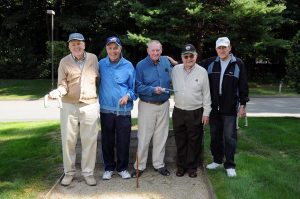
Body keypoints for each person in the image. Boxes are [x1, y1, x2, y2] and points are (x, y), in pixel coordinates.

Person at [48, 33, 99, 186]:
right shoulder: (64, 62)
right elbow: (62, 84)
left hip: (90, 105)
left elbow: (97, 78)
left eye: (79, 43)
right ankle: (69, 173)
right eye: (73, 44)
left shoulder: (93, 58)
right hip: (69, 106)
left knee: (89, 141)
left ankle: (88, 173)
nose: (76, 46)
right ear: (69, 46)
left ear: (84, 45)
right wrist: (58, 92)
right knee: (68, 141)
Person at [203, 37, 249, 177]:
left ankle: (229, 165)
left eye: (224, 47)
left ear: (229, 48)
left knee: (229, 137)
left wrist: (243, 104)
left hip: (229, 107)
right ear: (216, 49)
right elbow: (192, 63)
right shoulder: (211, 62)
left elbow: (243, 85)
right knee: (215, 136)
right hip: (214, 106)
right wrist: (176, 62)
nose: (222, 50)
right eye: (219, 48)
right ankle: (217, 160)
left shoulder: (238, 63)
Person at [132, 40, 172, 178]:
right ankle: (140, 166)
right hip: (147, 105)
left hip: (164, 105)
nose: (155, 53)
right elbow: (137, 86)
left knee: (161, 136)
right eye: (153, 50)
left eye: (158, 50)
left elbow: (176, 72)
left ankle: (158, 164)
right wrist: (153, 90)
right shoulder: (141, 65)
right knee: (143, 137)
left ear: (161, 50)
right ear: (148, 51)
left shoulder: (166, 61)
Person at [99, 36, 136, 180]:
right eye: (110, 48)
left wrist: (127, 95)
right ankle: (109, 168)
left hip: (123, 111)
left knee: (123, 141)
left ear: (120, 49)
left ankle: (122, 168)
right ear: (106, 49)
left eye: (115, 48)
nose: (113, 51)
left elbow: (134, 89)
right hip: (106, 110)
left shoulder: (128, 65)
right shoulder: (100, 64)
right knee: (107, 140)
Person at [171, 44, 211, 178]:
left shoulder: (202, 71)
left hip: (195, 111)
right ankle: (181, 166)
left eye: (191, 56)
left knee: (194, 140)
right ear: (182, 58)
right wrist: (166, 58)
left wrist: (206, 113)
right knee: (180, 139)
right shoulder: (175, 70)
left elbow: (206, 94)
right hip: (178, 111)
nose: (189, 59)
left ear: (196, 56)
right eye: (186, 56)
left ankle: (192, 167)